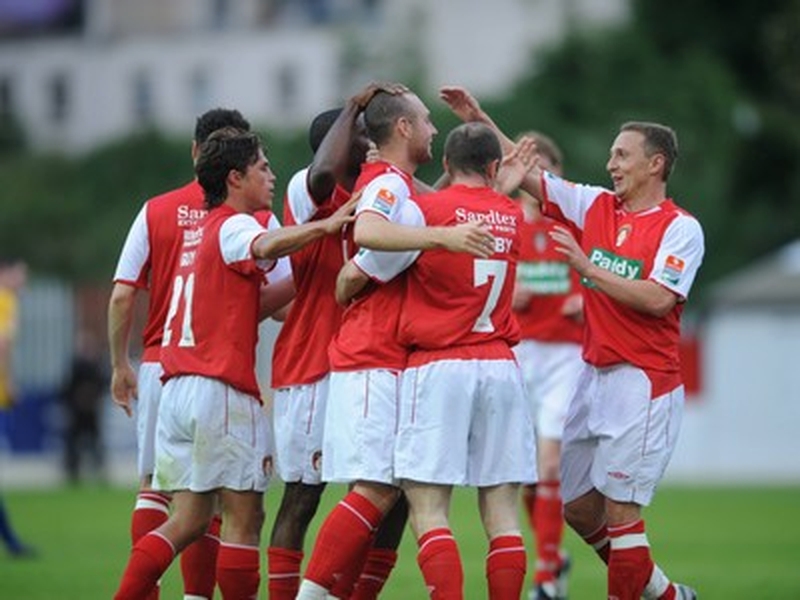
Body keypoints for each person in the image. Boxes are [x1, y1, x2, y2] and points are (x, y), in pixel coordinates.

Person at [442, 88, 704, 600]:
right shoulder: (597, 206)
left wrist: (586, 269)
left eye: (621, 155)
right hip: (594, 375)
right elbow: (533, 176)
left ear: (655, 164)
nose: (610, 163)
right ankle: (666, 595)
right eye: (610, 154)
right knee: (578, 505)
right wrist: (479, 119)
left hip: (642, 382)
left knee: (622, 513)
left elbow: (656, 299)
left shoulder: (680, 228)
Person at [112, 127, 357, 600]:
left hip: (178, 389)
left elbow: (257, 302)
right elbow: (264, 247)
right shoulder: (233, 224)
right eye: (263, 167)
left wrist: (314, 275)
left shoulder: (202, 231)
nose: (272, 175)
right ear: (234, 177)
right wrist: (326, 227)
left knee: (188, 520)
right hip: (220, 391)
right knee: (246, 521)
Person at [295, 88, 497, 600]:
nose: (433, 130)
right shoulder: (385, 181)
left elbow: (440, 206)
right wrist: (442, 239)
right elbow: (367, 231)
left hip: (390, 358)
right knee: (377, 488)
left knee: (392, 494)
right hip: (368, 358)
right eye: (426, 121)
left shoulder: (402, 184)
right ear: (403, 129)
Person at [267, 82, 409, 600]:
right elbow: (325, 170)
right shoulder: (310, 191)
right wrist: (353, 105)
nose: (370, 144)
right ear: (336, 140)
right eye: (360, 136)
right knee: (303, 498)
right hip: (312, 366)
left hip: (368, 364)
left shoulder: (380, 195)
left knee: (393, 494)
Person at [108, 108, 251, 600]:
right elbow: (272, 297)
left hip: (160, 365)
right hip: (215, 370)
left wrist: (119, 363)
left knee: (154, 488)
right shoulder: (246, 214)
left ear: (196, 152)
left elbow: (124, 292)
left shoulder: (157, 209)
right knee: (215, 504)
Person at [391, 122, 537, 599]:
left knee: (430, 509)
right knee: (502, 514)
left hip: (440, 365)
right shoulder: (511, 214)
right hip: (499, 365)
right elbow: (489, 199)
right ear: (494, 168)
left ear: (446, 166)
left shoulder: (423, 210)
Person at [512, 132, 582, 600]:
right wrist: (507, 292)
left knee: (550, 462)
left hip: (565, 355)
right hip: (518, 354)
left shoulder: (573, 224)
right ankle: (553, 556)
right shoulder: (505, 224)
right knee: (525, 470)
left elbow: (611, 271)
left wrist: (588, 297)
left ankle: (544, 578)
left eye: (543, 167)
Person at [0, 258, 36, 558]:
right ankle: (12, 542)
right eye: (21, 274)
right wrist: (8, 381)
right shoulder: (6, 300)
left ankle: (11, 541)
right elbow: (3, 343)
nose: (24, 280)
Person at [61, 328, 108, 484]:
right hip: (77, 410)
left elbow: (103, 385)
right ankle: (72, 471)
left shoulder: (97, 364)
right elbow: (67, 387)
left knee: (95, 442)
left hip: (91, 410)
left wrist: (93, 397)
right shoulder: (75, 364)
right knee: (74, 442)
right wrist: (77, 399)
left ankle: (99, 470)